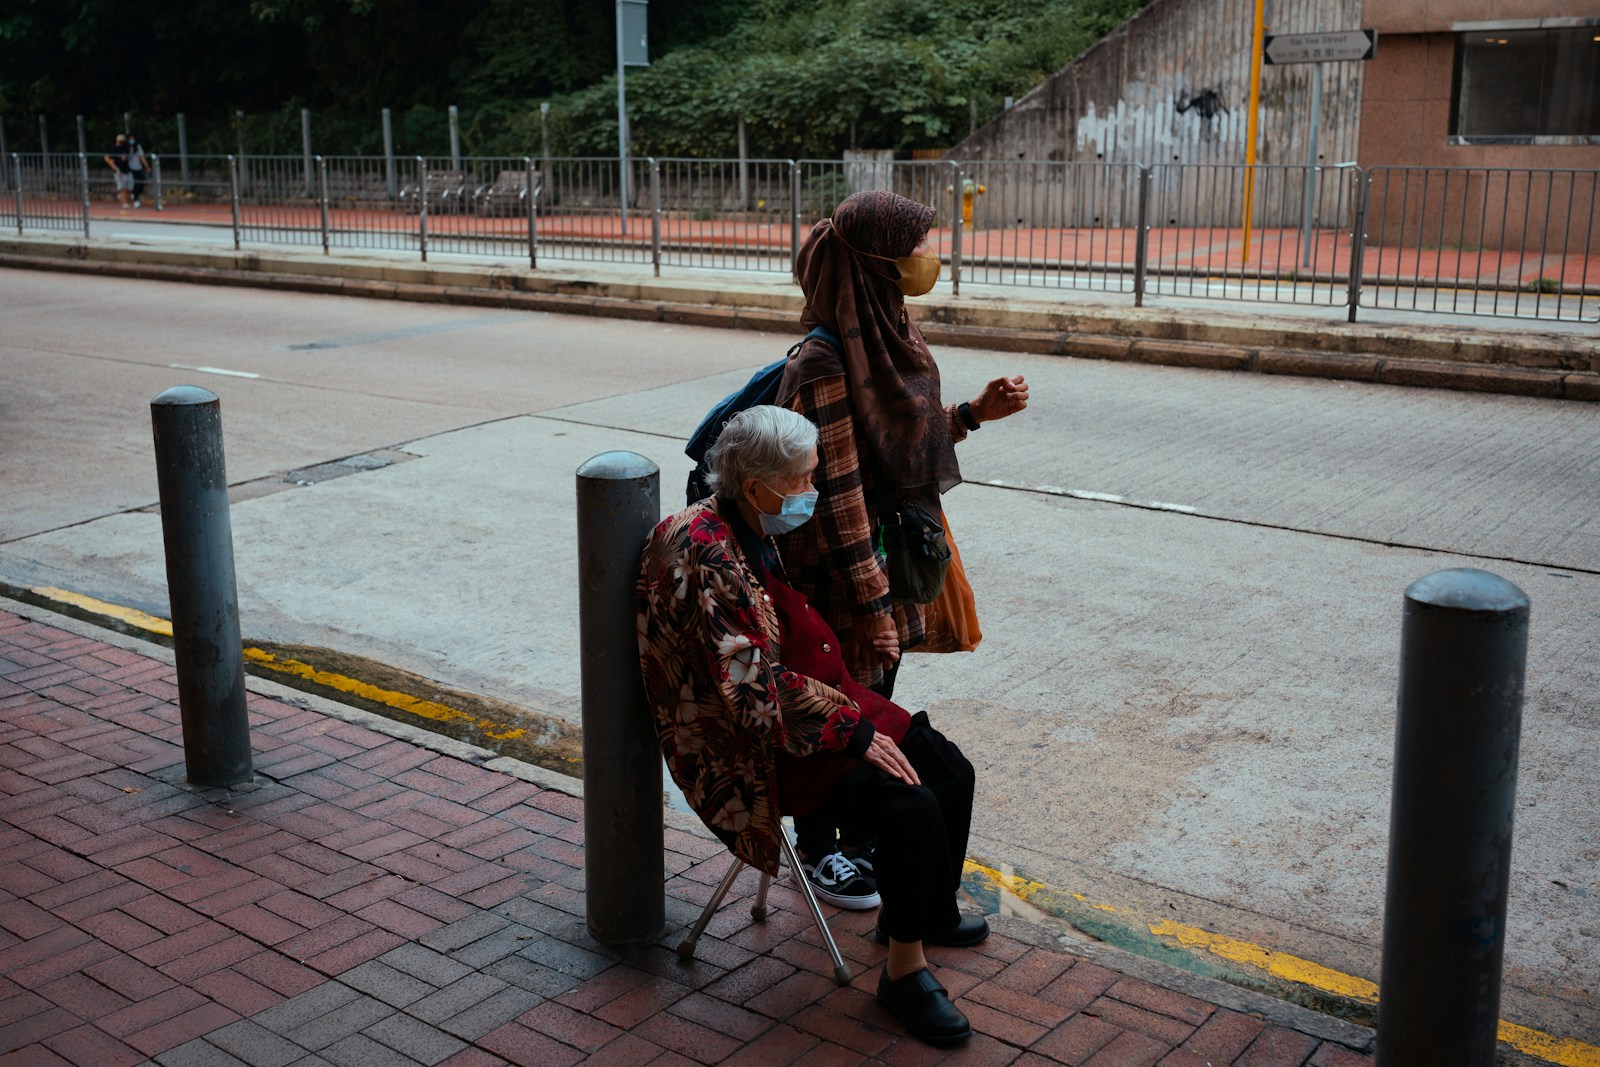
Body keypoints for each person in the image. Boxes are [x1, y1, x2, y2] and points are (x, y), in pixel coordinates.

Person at [637, 405, 985, 1046]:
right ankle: (903, 975)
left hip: (820, 701)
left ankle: (921, 912)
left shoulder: (748, 523)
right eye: (801, 481)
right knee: (912, 807)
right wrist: (855, 732)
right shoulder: (708, 554)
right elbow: (748, 689)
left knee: (950, 773)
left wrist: (851, 711)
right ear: (755, 486)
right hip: (762, 747)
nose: (811, 492)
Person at [775, 189, 1030, 906]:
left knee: (873, 699)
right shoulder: (827, 361)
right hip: (838, 577)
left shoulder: (886, 328)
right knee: (840, 706)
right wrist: (874, 605)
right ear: (882, 260)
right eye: (923, 245)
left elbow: (898, 445)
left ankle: (858, 831)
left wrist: (976, 413)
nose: (933, 257)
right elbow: (843, 494)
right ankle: (819, 848)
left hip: (877, 564)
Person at [103, 134, 133, 209]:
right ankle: (124, 202)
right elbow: (106, 157)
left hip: (126, 169)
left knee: (129, 187)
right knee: (122, 187)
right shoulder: (114, 148)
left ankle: (121, 196)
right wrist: (112, 165)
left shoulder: (125, 148)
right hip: (118, 171)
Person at [127, 134, 149, 208]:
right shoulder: (126, 147)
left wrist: (147, 166)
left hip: (138, 167)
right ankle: (136, 199)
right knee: (135, 184)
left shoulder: (138, 147)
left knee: (141, 183)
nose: (132, 140)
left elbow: (142, 157)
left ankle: (134, 194)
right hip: (130, 168)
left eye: (133, 138)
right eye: (130, 139)